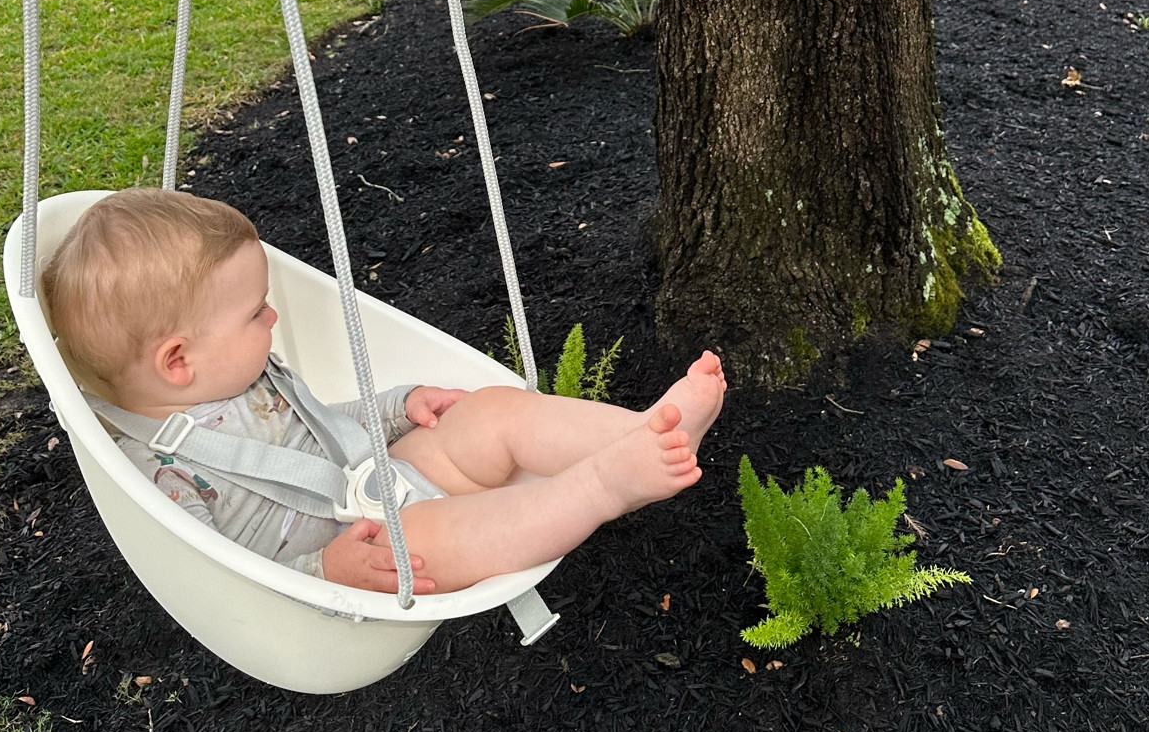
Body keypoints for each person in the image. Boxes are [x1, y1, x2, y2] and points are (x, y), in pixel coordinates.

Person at [40, 189, 727, 596]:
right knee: (430, 535)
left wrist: (399, 409)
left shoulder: (239, 373)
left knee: (487, 414)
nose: (273, 318)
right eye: (255, 313)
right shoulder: (158, 475)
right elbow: (222, 577)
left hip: (375, 478)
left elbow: (318, 430)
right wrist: (323, 568)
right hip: (355, 546)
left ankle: (645, 429)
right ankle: (607, 485)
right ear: (177, 360)